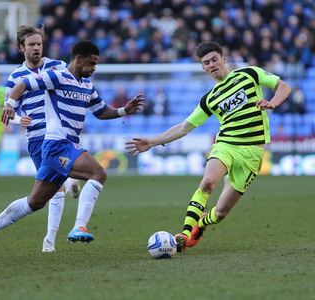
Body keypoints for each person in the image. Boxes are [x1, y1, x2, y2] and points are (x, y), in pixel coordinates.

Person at [0, 40, 145, 256]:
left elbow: (100, 111)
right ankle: (79, 226)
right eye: (91, 64)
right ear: (78, 59)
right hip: (56, 145)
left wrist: (123, 110)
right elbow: (23, 84)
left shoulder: (87, 86)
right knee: (98, 173)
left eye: (96, 65)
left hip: (65, 146)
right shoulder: (58, 76)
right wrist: (9, 104)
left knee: (35, 202)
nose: (93, 69)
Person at [125, 42, 291, 253]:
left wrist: (273, 102)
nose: (211, 65)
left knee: (220, 214)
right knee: (208, 183)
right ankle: (184, 234)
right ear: (203, 68)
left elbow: (284, 86)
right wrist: (151, 141)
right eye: (206, 63)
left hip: (253, 153)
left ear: (223, 59)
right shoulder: (209, 99)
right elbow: (184, 127)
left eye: (214, 59)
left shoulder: (249, 73)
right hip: (226, 145)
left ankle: (201, 223)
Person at [4, 24, 81, 253]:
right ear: (21, 48)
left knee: (56, 187)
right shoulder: (15, 76)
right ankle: (70, 180)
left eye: (39, 44)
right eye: (31, 45)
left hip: (61, 133)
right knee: (54, 190)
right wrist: (19, 120)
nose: (36, 48)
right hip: (37, 138)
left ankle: (49, 240)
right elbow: (8, 111)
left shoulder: (57, 66)